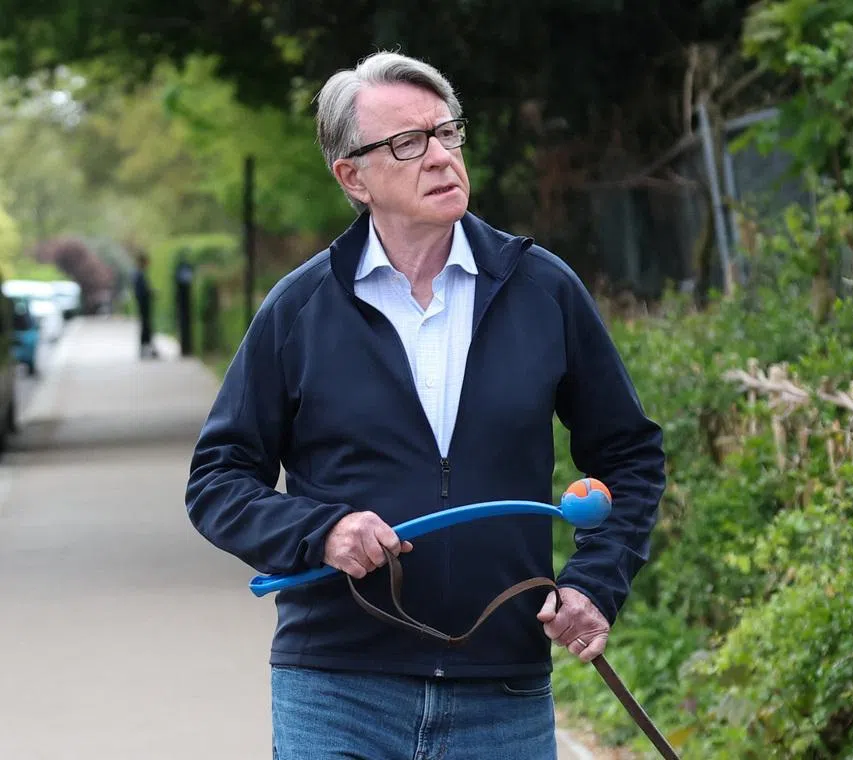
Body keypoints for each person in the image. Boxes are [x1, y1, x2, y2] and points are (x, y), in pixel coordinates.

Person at [185, 50, 666, 760]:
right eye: (409, 143)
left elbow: (629, 454)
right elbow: (217, 480)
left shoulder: (543, 290)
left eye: (447, 132)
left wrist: (595, 582)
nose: (441, 156)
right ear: (353, 177)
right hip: (337, 693)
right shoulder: (300, 309)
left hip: (502, 694)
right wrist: (322, 531)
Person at [132, 253, 157, 359]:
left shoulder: (138, 273)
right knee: (146, 326)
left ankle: (147, 348)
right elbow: (142, 290)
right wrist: (149, 293)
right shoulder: (139, 274)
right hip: (143, 304)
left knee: (146, 326)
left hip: (143, 304)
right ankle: (147, 348)